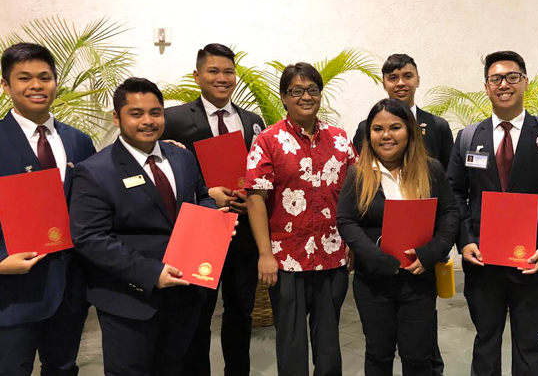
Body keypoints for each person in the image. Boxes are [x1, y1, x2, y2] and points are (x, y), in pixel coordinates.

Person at [69, 77, 227, 376]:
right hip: (130, 300)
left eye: (155, 112)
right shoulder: (95, 171)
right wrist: (150, 272)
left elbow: (203, 197)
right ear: (117, 118)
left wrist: (213, 224)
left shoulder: (181, 156)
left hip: (186, 294)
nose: (148, 121)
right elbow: (89, 237)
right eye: (136, 113)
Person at [447, 51, 538, 376]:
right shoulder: (467, 138)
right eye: (496, 78)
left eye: (512, 77)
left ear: (525, 82)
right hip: (482, 262)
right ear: (487, 87)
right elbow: (453, 194)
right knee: (485, 342)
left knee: (530, 345)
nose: (504, 84)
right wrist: (465, 241)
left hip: (531, 262)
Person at [245, 62, 357, 376]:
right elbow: (256, 197)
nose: (305, 97)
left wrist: (352, 241)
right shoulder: (267, 140)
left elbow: (354, 192)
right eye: (296, 91)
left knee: (329, 339)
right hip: (285, 259)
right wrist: (265, 254)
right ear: (284, 97)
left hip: (332, 255)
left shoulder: (339, 139)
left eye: (312, 90)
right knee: (292, 343)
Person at [161, 43, 266, 376]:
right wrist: (206, 192)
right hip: (201, 228)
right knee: (198, 314)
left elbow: (259, 171)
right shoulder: (173, 119)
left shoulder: (252, 121)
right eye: (213, 71)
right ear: (197, 76)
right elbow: (164, 173)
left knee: (241, 312)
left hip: (244, 230)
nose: (222, 78)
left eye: (228, 71)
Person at [337, 98, 459, 376]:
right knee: (378, 355)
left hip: (419, 280)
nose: (386, 135)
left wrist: (432, 253)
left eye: (395, 127)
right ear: (369, 135)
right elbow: (346, 220)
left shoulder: (431, 170)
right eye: (378, 129)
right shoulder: (359, 173)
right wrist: (375, 257)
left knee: (417, 357)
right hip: (374, 282)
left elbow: (450, 214)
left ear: (410, 131)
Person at [0, 42, 96, 376]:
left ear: (56, 82)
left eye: (45, 77)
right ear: (6, 85)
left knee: (64, 368)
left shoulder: (79, 142)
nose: (36, 86)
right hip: (11, 289)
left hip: (70, 286)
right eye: (24, 78)